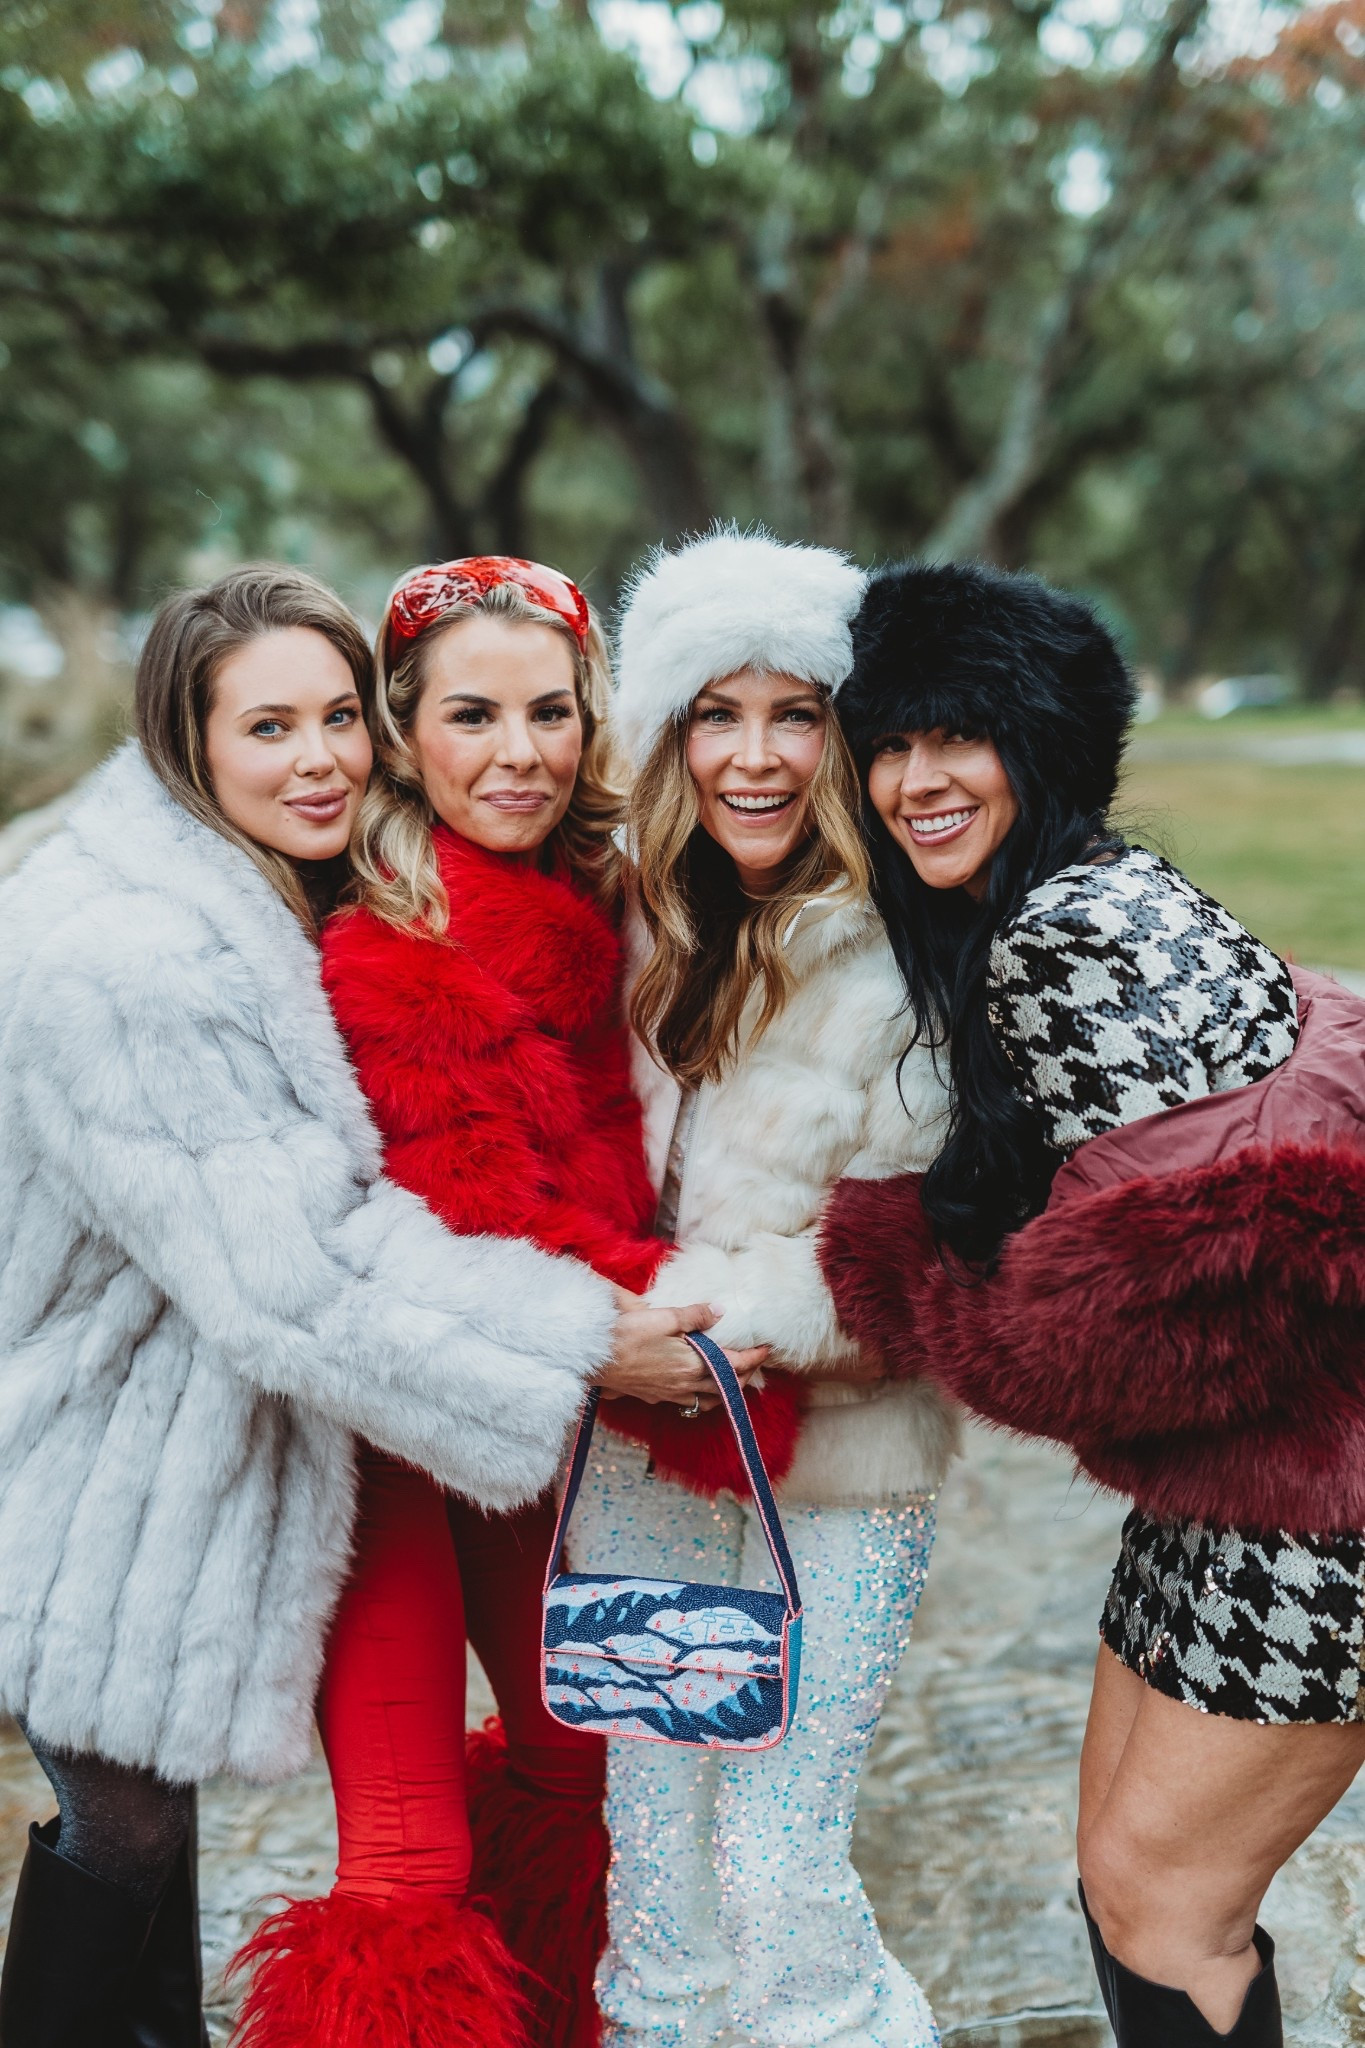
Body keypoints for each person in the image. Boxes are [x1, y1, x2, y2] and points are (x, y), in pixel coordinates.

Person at [0, 563, 692, 2048]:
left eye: (335, 718)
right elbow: (291, 1274)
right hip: (164, 1435)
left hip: (397, 1393)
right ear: (191, 746)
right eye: (267, 726)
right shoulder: (127, 951)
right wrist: (592, 1335)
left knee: (561, 1769)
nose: (316, 756)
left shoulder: (351, 873)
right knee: (138, 1831)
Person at [819, 558, 1365, 2048]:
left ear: (1036, 745)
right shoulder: (1069, 900)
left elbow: (1161, 1325)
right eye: (887, 744)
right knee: (1130, 1888)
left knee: (1160, 1899)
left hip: (1321, 1505)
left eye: (957, 739)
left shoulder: (1073, 933)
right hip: (1243, 1486)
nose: (914, 781)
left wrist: (877, 1267)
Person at [231, 555, 765, 2048]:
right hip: (389, 1440)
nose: (517, 752)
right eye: (472, 714)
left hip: (542, 1434)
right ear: (403, 728)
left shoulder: (604, 896)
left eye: (550, 712)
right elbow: (477, 1207)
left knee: (575, 1773)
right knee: (407, 1856)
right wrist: (686, 1333)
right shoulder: (395, 941)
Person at [567, 527, 959, 2048]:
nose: (754, 755)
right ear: (666, 735)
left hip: (839, 1473)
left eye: (792, 713)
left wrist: (692, 1322)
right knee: (655, 1871)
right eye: (715, 715)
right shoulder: (631, 927)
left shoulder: (916, 953)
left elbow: (919, 1257)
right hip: (639, 1453)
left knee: (778, 1864)